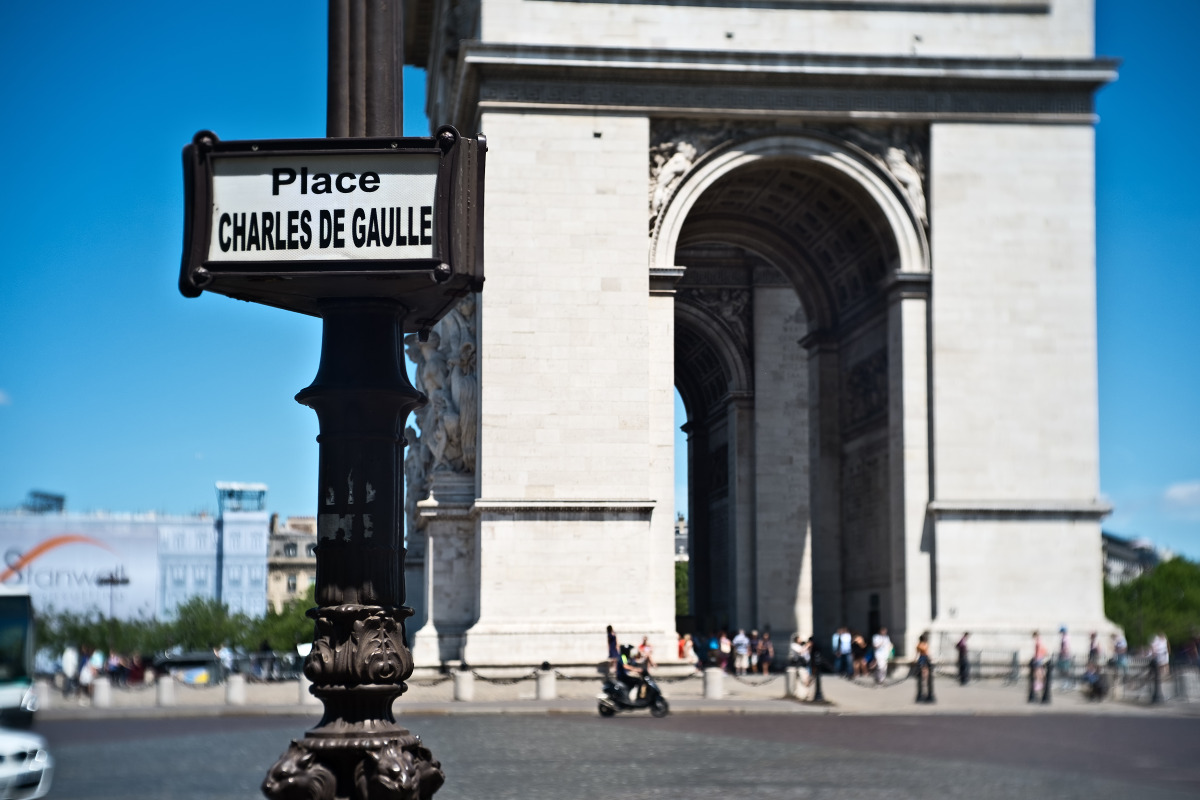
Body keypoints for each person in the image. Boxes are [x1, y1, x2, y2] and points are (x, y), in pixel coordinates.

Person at [915, 632, 934, 703]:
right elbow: (927, 653)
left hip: (921, 659)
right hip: (925, 659)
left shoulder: (918, 645)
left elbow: (917, 654)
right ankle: (927, 694)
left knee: (922, 677)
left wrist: (915, 660)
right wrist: (930, 658)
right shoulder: (924, 645)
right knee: (926, 676)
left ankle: (922, 694)